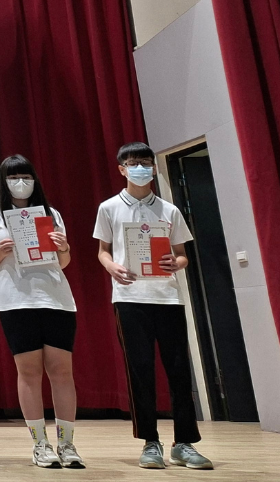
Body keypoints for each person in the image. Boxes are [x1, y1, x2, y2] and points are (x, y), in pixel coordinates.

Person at [93, 142, 212, 470]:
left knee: (179, 371)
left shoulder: (169, 210)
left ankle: (184, 443)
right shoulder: (109, 208)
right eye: (134, 163)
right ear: (122, 169)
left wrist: (177, 263)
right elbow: (103, 250)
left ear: (153, 168)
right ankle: (150, 442)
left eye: (146, 163)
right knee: (140, 371)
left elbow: (182, 254)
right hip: (129, 299)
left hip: (167, 297)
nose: (141, 168)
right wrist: (112, 267)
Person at [0, 154, 83, 468]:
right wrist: (0, 252)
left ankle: (67, 444)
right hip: (16, 301)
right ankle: (40, 444)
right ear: (3, 182)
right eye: (13, 177)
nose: (20, 182)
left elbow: (64, 262)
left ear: (34, 179)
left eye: (25, 176)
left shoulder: (51, 214)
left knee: (62, 372)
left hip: (56, 299)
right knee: (29, 372)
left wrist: (63, 247)